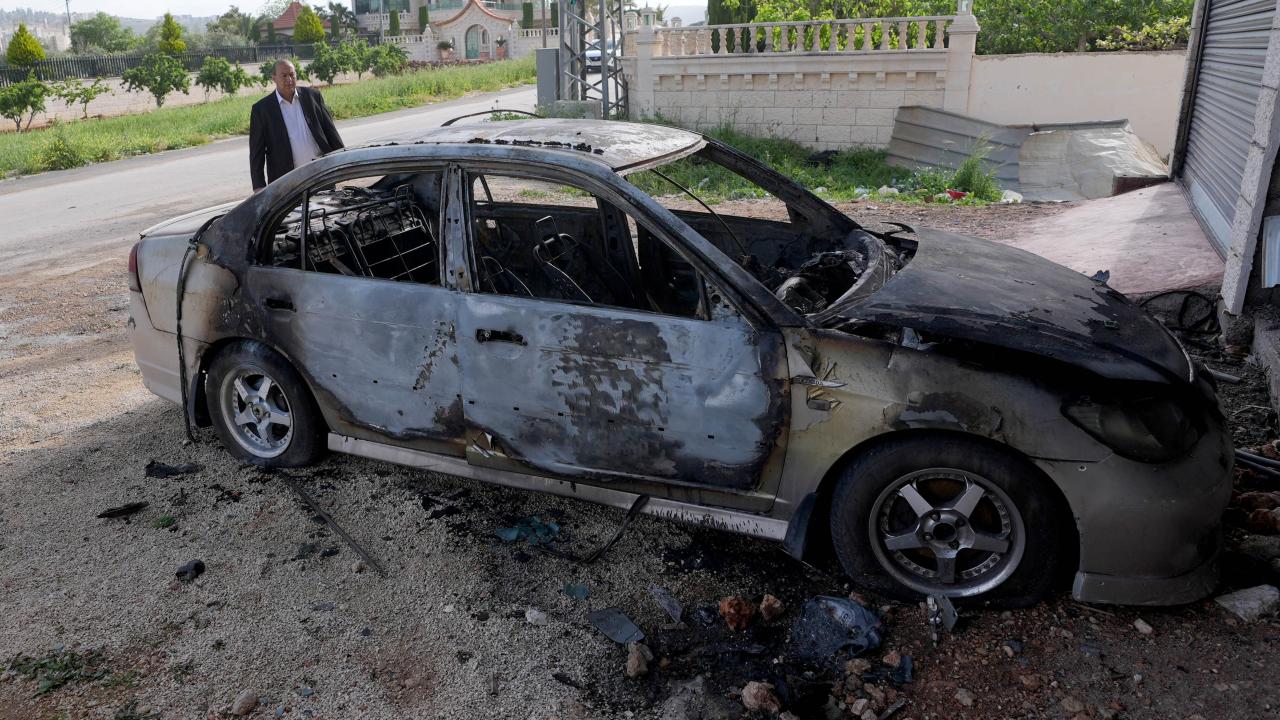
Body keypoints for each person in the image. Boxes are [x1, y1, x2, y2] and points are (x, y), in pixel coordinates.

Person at [248, 59, 344, 191]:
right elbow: (256, 153)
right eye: (284, 76)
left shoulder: (312, 96)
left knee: (326, 210)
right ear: (274, 78)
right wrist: (258, 186)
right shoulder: (262, 110)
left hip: (321, 173)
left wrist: (342, 162)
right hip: (287, 182)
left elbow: (331, 133)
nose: (289, 79)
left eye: (292, 75)